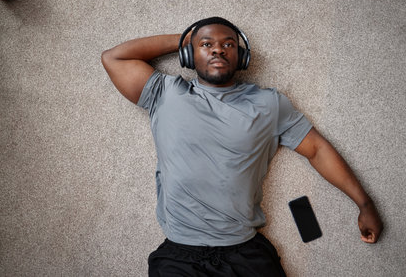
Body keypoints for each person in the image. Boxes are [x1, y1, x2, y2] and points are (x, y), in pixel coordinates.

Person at [101, 17, 383, 276]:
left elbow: (317, 150)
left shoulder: (269, 104)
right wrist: (185, 38)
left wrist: (364, 203)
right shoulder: (166, 93)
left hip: (244, 253)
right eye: (206, 44)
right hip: (178, 257)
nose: (218, 50)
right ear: (187, 55)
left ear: (242, 56)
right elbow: (113, 58)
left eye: (228, 44)